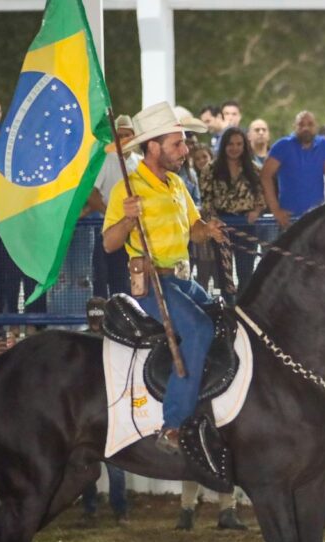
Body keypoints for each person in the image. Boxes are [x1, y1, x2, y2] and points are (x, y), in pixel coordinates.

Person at [102, 102, 228, 462]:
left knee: (223, 320)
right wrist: (127, 220)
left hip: (183, 280)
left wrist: (210, 231)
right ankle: (172, 423)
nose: (185, 150)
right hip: (152, 284)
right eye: (177, 144)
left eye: (184, 143)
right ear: (153, 146)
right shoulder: (128, 191)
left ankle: (205, 400)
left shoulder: (176, 184)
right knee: (201, 330)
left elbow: (194, 229)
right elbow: (110, 243)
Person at [200, 125, 265, 298]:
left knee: (246, 271)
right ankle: (227, 308)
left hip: (246, 224)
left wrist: (256, 212)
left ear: (244, 146)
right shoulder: (210, 169)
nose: (235, 148)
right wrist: (213, 221)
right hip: (221, 225)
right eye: (230, 144)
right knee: (223, 273)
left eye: (239, 144)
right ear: (224, 145)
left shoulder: (255, 169)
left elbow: (261, 197)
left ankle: (242, 309)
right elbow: (206, 200)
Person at [80, 297, 129, 524]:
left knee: (106, 463)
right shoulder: (114, 339)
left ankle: (107, 510)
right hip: (100, 408)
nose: (96, 322)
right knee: (100, 462)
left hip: (102, 408)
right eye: (95, 318)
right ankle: (106, 510)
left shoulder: (85, 339)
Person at [85, 113, 142, 298]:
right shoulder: (106, 159)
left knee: (131, 278)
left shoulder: (141, 163)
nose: (125, 139)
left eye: (128, 134)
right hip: (108, 227)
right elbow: (91, 194)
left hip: (136, 232)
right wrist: (112, 213)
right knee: (104, 277)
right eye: (121, 135)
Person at [261, 110, 325, 229]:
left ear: (316, 126)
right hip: (288, 219)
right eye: (301, 124)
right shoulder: (282, 145)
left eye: (310, 124)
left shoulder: (323, 145)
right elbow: (265, 175)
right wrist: (275, 210)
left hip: (316, 219)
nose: (305, 128)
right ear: (294, 126)